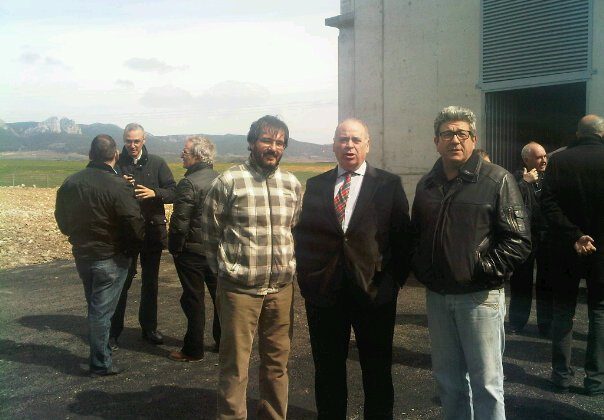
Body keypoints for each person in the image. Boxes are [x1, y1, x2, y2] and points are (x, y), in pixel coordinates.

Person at [411, 106, 530, 419]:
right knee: (448, 382)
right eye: (447, 134)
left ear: (473, 139)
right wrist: (424, 271)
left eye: (462, 133)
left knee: (486, 383)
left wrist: (480, 270)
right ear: (436, 141)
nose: (455, 140)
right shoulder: (427, 185)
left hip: (479, 298)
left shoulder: (497, 180)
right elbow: (416, 236)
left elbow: (518, 240)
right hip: (438, 298)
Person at [295, 118, 411, 419]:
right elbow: (305, 237)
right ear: (334, 145)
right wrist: (308, 280)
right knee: (328, 370)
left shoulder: (388, 184)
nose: (349, 145)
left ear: (367, 145)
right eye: (343, 139)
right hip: (325, 294)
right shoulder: (316, 185)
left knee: (377, 370)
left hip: (374, 293)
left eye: (356, 140)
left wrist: (392, 283)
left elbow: (402, 238)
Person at [201, 115, 301, 419]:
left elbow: (292, 228)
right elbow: (210, 233)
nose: (273, 147)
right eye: (266, 140)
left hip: (280, 290)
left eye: (279, 142)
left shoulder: (292, 184)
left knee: (277, 365)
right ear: (251, 142)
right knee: (235, 365)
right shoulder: (229, 182)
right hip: (239, 291)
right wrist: (227, 270)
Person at [55, 134, 145, 376]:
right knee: (101, 311)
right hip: (111, 256)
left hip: (83, 254)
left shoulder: (71, 182)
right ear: (115, 155)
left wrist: (76, 235)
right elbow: (133, 221)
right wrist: (131, 248)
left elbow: (61, 218)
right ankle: (100, 362)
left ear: (90, 155)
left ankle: (101, 353)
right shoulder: (118, 185)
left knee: (95, 306)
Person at [541, 114, 604, 396]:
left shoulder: (559, 160)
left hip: (566, 248)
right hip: (601, 251)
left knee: (563, 311)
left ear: (578, 133)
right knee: (599, 312)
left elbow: (548, 204)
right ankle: (596, 381)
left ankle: (561, 377)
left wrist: (575, 235)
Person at [110, 123, 176, 348]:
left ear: (144, 140)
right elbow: (104, 191)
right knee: (122, 282)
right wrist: (120, 184)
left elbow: (174, 191)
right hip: (125, 233)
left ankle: (149, 328)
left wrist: (154, 192)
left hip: (151, 232)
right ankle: (113, 332)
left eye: (136, 141)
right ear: (124, 140)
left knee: (150, 282)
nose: (132, 145)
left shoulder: (157, 163)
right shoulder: (116, 164)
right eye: (128, 141)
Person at [168, 136, 220, 362]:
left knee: (194, 300)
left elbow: (180, 222)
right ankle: (223, 343)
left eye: (185, 152)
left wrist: (174, 248)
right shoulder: (223, 179)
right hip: (218, 251)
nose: (182, 154)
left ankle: (193, 349)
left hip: (192, 252)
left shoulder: (188, 183)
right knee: (220, 299)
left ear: (198, 156)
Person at [508, 141, 552, 336]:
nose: (544, 160)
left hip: (546, 236)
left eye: (545, 156)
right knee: (521, 281)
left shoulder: (549, 178)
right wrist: (525, 182)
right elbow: (510, 202)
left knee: (546, 282)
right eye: (539, 157)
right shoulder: (515, 178)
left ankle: (546, 325)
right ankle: (517, 323)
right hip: (525, 237)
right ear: (526, 160)